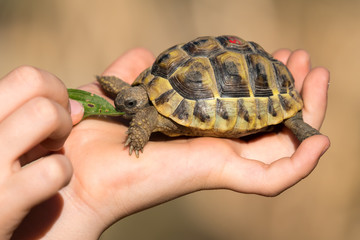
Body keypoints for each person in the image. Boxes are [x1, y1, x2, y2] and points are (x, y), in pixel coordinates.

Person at [0, 47, 330, 239]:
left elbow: (144, 116)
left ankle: (293, 121)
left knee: (289, 119)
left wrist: (135, 135)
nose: (123, 108)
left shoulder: (147, 112)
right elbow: (130, 96)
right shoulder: (139, 93)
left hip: (247, 90)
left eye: (128, 104)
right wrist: (81, 202)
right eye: (126, 100)